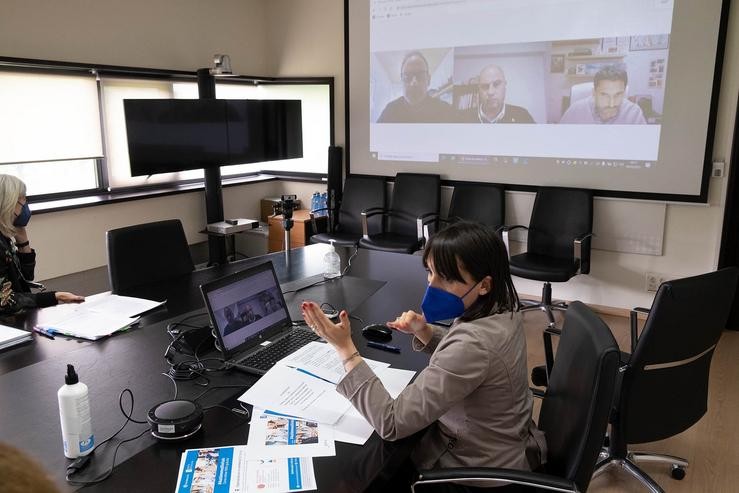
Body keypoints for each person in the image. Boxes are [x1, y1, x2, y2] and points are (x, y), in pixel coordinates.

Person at [301, 221, 545, 478]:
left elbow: (391, 423)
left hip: (475, 470)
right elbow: (476, 358)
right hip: (507, 445)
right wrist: (426, 331)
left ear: (484, 284)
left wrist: (345, 348)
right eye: (430, 271)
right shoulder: (504, 307)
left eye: (447, 278)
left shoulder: (474, 345)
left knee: (358, 472)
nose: (432, 285)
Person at [0, 174, 84, 314]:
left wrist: (23, 241)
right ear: (8, 204)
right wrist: (54, 297)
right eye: (22, 203)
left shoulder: (4, 237)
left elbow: (26, 278)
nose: (24, 210)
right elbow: (4, 301)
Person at [377, 51, 453, 123]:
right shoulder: (390, 110)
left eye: (420, 75)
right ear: (402, 81)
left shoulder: (446, 111)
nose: (414, 83)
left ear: (428, 80)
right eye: (407, 76)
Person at [559, 65, 647, 124]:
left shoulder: (634, 113)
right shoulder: (575, 111)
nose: (611, 104)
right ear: (594, 93)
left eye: (618, 94)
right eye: (604, 95)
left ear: (624, 93)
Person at [458, 64, 535, 123]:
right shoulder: (462, 118)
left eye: (496, 84)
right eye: (485, 86)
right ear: (479, 90)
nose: (490, 92)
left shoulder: (522, 116)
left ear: (505, 86)